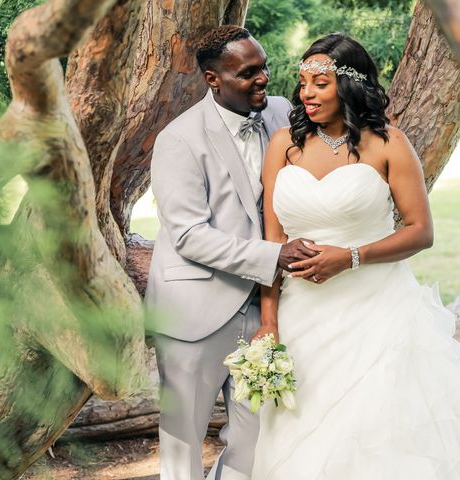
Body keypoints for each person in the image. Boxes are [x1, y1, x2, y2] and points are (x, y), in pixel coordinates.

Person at [251, 33, 460, 479]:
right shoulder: (284, 144)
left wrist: (351, 256)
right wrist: (269, 320)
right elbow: (272, 243)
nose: (306, 92)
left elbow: (421, 231)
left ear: (349, 85)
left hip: (378, 312)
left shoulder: (389, 144)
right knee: (301, 429)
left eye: (319, 82)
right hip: (301, 315)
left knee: (379, 427)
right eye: (302, 82)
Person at [145, 25, 316, 480]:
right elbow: (188, 235)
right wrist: (272, 257)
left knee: (257, 439)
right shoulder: (178, 139)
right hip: (193, 315)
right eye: (247, 72)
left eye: (264, 68)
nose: (263, 79)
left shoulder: (282, 112)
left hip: (266, 310)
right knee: (183, 443)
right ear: (212, 78)